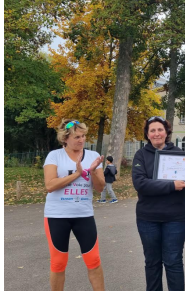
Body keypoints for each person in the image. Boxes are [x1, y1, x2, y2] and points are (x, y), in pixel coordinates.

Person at [132, 116, 185, 291]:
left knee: (173, 262)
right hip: (148, 218)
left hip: (175, 217)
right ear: (147, 135)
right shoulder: (140, 155)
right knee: (152, 262)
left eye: (160, 129)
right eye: (152, 130)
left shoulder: (179, 153)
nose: (157, 133)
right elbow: (140, 184)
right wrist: (171, 185)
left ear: (166, 132)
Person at [43, 119, 106, 291]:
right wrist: (78, 174)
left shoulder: (93, 157)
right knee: (58, 263)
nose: (82, 139)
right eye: (77, 136)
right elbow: (50, 185)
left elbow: (100, 187)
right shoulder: (54, 156)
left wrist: (92, 171)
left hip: (84, 215)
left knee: (93, 260)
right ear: (65, 138)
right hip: (57, 216)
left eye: (84, 136)